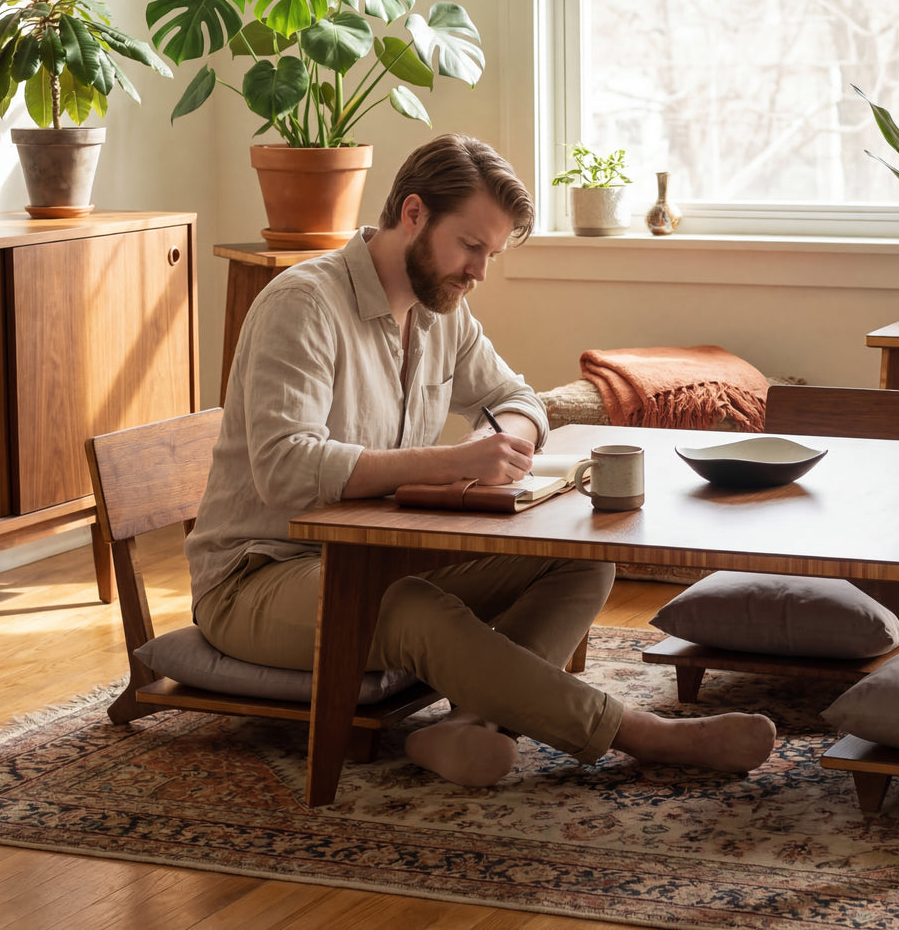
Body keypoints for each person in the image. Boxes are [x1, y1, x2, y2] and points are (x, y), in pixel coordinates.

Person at [186, 133, 776, 787]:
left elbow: (514, 395)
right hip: (257, 577)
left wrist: (514, 435)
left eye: (490, 253)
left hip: (377, 551)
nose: (479, 272)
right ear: (413, 214)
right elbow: (286, 470)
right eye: (470, 246)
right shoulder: (303, 304)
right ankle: (643, 734)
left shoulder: (441, 311)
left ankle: (468, 725)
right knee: (409, 606)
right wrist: (447, 461)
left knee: (579, 559)